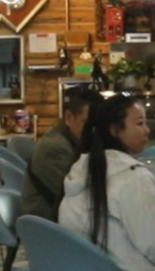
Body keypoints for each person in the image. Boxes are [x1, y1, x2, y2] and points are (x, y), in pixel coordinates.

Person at [58, 94, 155, 271]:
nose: (147, 130)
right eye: (140, 123)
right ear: (115, 130)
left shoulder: (82, 168)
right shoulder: (132, 176)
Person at [21, 86, 98, 221]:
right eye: (87, 123)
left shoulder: (76, 139)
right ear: (68, 117)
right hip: (47, 225)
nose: (94, 130)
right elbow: (81, 198)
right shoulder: (54, 149)